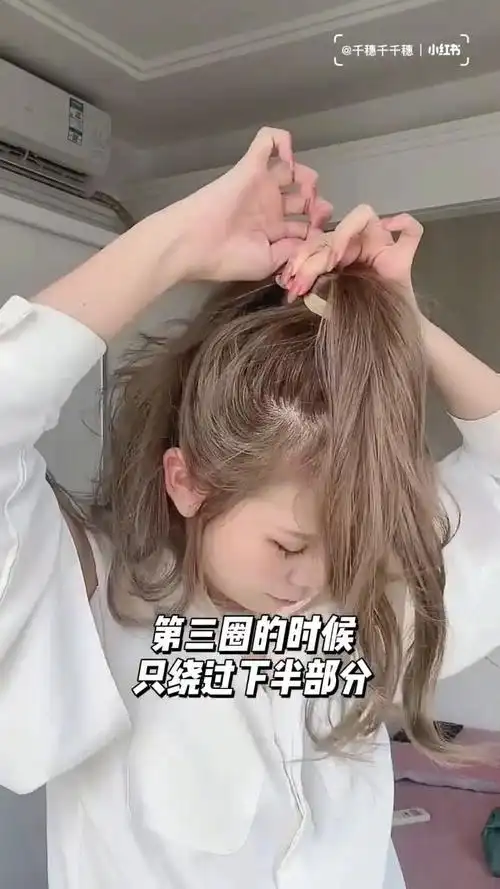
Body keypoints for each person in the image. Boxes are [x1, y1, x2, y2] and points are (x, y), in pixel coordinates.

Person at [0, 125, 499, 889]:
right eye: (289, 544)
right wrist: (173, 245)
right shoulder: (91, 610)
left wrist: (401, 322)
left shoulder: (359, 602)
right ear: (188, 480)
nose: (316, 578)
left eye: (348, 542)